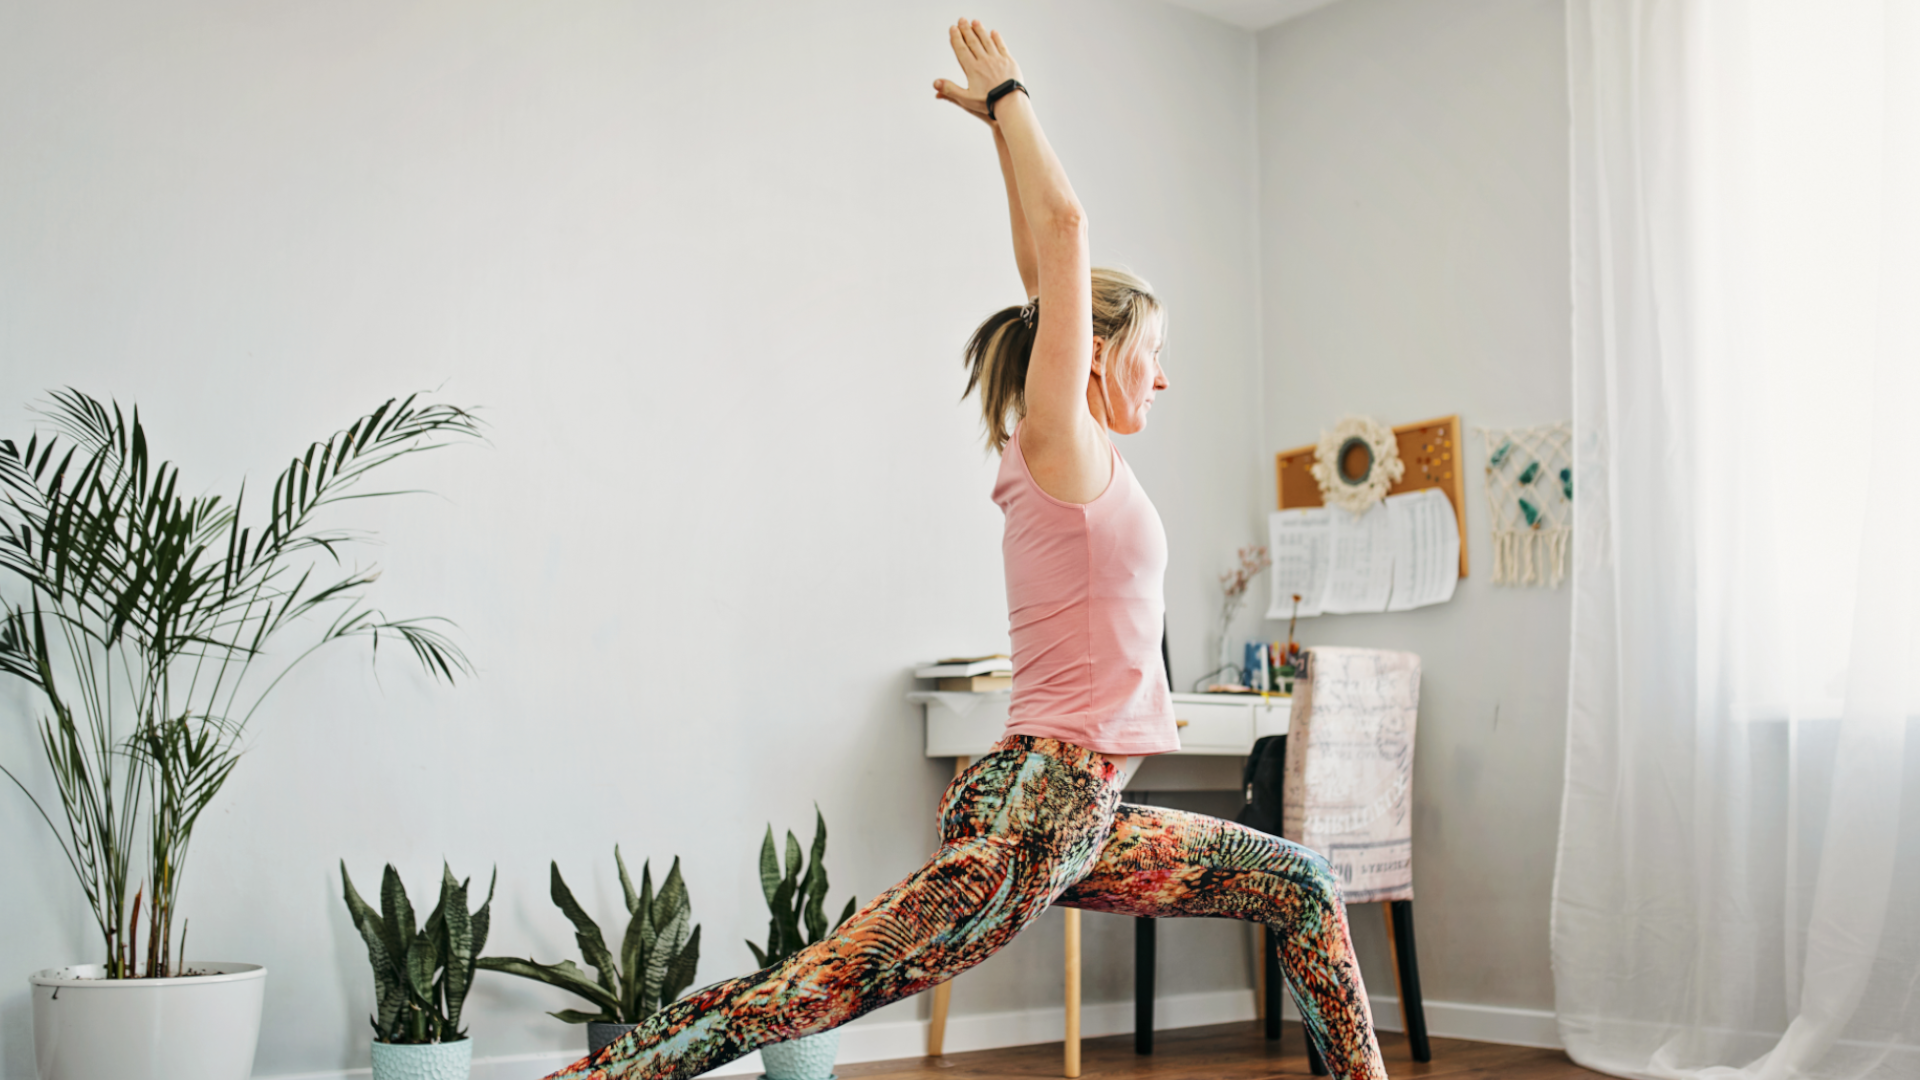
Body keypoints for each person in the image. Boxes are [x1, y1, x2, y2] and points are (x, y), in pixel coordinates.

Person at [545, 19, 1386, 1080]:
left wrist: (998, 135)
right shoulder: (1059, 441)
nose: (1162, 381)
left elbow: (1043, 266)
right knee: (808, 991)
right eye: (1154, 356)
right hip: (1037, 809)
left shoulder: (1080, 453)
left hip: (1081, 808)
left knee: (1301, 884)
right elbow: (1068, 233)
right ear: (1100, 353)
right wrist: (1014, 95)